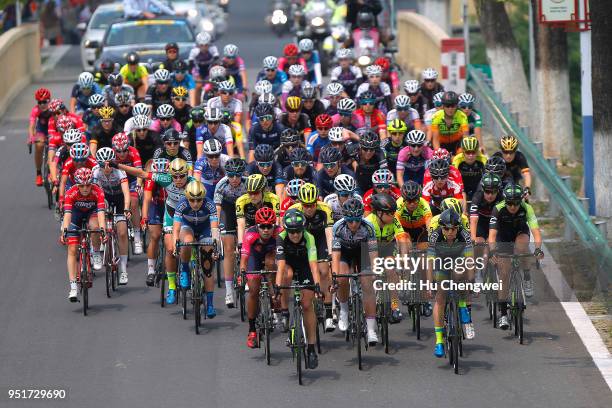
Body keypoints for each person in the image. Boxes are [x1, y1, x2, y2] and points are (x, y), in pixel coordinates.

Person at [489, 184, 544, 327]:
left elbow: (536, 232)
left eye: (516, 203)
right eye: (510, 203)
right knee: (504, 275)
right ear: (505, 201)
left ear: (521, 201)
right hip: (503, 238)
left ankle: (526, 277)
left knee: (522, 247)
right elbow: (492, 236)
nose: (513, 207)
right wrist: (493, 251)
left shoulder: (527, 208)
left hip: (520, 233)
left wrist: (538, 249)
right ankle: (502, 314)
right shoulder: (498, 209)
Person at [275, 208, 321, 368]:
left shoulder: (309, 237)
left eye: (298, 231)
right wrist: (276, 286)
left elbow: (313, 265)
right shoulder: (281, 238)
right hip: (288, 264)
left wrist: (317, 285)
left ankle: (311, 348)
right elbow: (280, 266)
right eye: (291, 231)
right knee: (286, 275)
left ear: (303, 229)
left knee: (308, 305)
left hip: (304, 266)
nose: (295, 235)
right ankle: (285, 311)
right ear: (286, 230)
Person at [427, 209, 474, 358]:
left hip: (458, 260)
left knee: (461, 274)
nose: (450, 232)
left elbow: (470, 261)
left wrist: (471, 281)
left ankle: (461, 306)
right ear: (441, 227)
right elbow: (429, 263)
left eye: (454, 228)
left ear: (458, 227)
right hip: (440, 263)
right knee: (440, 298)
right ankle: (439, 341)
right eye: (446, 228)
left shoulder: (464, 235)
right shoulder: (435, 236)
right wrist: (429, 283)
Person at [331, 198, 379, 345]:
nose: (354, 224)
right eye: (350, 221)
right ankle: (344, 311)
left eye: (357, 220)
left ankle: (371, 330)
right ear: (345, 219)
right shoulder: (338, 227)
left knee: (367, 285)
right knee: (342, 278)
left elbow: (373, 253)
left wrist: (375, 272)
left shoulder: (368, 227)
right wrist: (334, 276)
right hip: (344, 253)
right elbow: (336, 254)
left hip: (362, 252)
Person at [288, 184, 334, 331]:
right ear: (300, 203)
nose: (309, 208)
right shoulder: (292, 211)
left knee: (324, 271)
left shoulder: (325, 208)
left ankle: (328, 313)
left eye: (312, 204)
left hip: (320, 238)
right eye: (306, 205)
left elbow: (329, 233)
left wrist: (331, 253)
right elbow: (287, 237)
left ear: (317, 201)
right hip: (301, 240)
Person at [171, 180, 220, 318]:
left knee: (208, 265)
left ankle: (210, 304)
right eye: (192, 200)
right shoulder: (181, 204)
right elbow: (176, 229)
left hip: (205, 229)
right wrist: (176, 245)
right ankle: (185, 269)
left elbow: (215, 229)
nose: (196, 203)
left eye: (199, 200)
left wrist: (215, 248)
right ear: (187, 198)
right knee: (186, 241)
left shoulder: (210, 204)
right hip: (188, 228)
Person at [60, 167, 106, 302]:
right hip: (76, 215)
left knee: (95, 226)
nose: (85, 188)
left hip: (92, 213)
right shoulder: (71, 192)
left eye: (88, 185)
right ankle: (73, 286)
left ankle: (96, 252)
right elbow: (67, 215)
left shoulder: (98, 191)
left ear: (92, 183)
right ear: (77, 184)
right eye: (82, 185)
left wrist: (102, 230)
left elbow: (101, 214)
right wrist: (64, 231)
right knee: (72, 249)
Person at [365, 193, 409, 323]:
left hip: (388, 248)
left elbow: (402, 241)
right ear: (379, 213)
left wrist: (404, 261)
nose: (392, 215)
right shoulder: (368, 222)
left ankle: (394, 305)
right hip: (370, 250)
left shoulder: (394, 220)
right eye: (389, 213)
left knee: (391, 270)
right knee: (370, 276)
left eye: (393, 212)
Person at [242, 207, 282, 345]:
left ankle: (273, 297)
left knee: (272, 264)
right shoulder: (250, 234)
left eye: (269, 226)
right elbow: (245, 257)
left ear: (274, 225)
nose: (266, 230)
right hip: (255, 257)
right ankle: (252, 330)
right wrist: (242, 272)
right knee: (253, 291)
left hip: (271, 255)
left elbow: (284, 256)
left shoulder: (280, 232)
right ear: (257, 226)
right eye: (263, 227)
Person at [92, 148, 131, 284]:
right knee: (96, 225)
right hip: (105, 198)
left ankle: (123, 269)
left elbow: (126, 192)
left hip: (119, 198)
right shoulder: (96, 171)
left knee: (121, 231)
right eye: (103, 165)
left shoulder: (120, 171)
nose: (106, 168)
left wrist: (126, 208)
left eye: (109, 164)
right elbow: (95, 193)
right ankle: (98, 251)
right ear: (99, 164)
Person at [213, 158, 247, 306]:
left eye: (238, 175)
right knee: (228, 249)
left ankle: (245, 275)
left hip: (244, 211)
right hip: (227, 211)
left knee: (246, 245)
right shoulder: (222, 185)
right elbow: (217, 210)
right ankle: (228, 292)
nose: (234, 179)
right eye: (231, 175)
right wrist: (215, 235)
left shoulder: (247, 183)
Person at [141, 158, 170, 285]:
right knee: (155, 235)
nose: (162, 178)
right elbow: (147, 199)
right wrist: (144, 218)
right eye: (159, 175)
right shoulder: (151, 180)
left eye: (165, 175)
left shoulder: (175, 178)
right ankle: (151, 270)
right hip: (156, 205)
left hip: (171, 206)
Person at [29, 88, 53, 186]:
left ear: (49, 100)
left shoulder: (53, 107)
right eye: (40, 102)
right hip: (42, 130)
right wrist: (31, 137)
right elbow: (32, 125)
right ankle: (39, 173)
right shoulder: (35, 110)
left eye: (45, 102)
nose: (42, 104)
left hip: (53, 129)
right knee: (39, 145)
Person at [452, 136, 487, 202]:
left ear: (477, 152)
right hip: (463, 187)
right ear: (463, 152)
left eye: (473, 152)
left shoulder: (483, 159)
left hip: (477, 188)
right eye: (468, 152)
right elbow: (454, 179)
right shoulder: (457, 159)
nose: (471, 155)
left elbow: (487, 177)